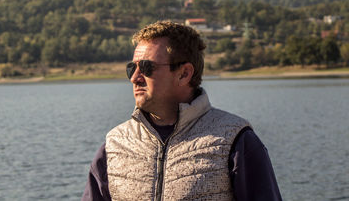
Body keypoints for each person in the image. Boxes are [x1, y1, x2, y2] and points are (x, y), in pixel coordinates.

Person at [82, 21, 282, 201]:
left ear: (184, 74)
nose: (135, 77)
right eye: (131, 68)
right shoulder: (114, 146)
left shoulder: (236, 141)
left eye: (146, 67)